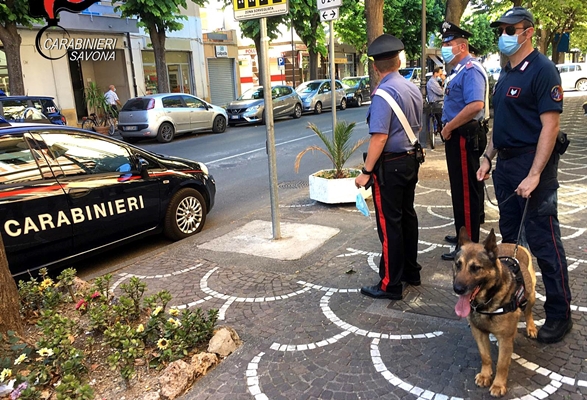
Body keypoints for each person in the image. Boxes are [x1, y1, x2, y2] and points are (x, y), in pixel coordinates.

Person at [476, 6, 572, 344]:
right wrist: (488, 156)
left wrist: (534, 174)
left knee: (545, 242)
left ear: (528, 31)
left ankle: (560, 313)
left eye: (510, 29)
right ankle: (512, 300)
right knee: (511, 244)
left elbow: (551, 126)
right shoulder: (505, 72)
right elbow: (498, 124)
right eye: (501, 29)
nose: (504, 35)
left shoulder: (543, 70)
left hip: (534, 167)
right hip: (505, 166)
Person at [355, 34, 423, 300]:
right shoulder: (411, 87)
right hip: (410, 160)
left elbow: (379, 137)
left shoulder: (383, 93)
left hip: (391, 165)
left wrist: (366, 172)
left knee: (389, 224)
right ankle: (410, 271)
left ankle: (390, 284)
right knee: (408, 216)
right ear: (398, 61)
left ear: (375, 66)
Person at [439, 21, 488, 260]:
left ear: (462, 46)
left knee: (466, 191)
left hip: (463, 135)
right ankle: (463, 234)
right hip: (457, 135)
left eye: (448, 44)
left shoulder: (471, 70)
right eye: (443, 43)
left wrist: (449, 126)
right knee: (459, 189)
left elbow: (475, 105)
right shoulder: (458, 70)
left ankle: (468, 247)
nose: (444, 47)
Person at [426, 66, 444, 134]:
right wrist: (443, 82)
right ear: (435, 73)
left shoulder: (435, 81)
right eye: (440, 74)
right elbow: (440, 92)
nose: (441, 76)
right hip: (436, 103)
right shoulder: (432, 82)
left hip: (438, 103)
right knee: (441, 119)